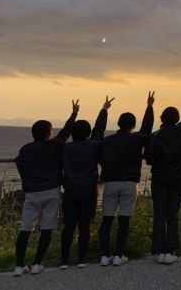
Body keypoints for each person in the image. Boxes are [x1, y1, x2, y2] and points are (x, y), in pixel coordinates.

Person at [14, 100, 79, 277]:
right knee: (47, 228)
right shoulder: (54, 146)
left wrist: (28, 181)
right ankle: (36, 264)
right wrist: (74, 114)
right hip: (51, 191)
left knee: (25, 228)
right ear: (48, 133)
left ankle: (19, 265)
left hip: (32, 193)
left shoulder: (25, 150)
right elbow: (65, 133)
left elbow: (19, 164)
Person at [98, 91, 154, 267]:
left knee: (106, 220)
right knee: (124, 220)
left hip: (111, 182)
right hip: (130, 183)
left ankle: (104, 255)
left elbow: (98, 132)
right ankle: (118, 255)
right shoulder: (137, 140)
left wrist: (104, 110)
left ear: (119, 124)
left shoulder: (107, 141)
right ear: (133, 125)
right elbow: (147, 128)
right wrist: (150, 106)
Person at [60, 96, 113, 269]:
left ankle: (64, 260)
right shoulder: (94, 146)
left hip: (70, 190)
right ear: (88, 133)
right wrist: (104, 109)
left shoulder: (65, 148)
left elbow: (63, 134)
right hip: (89, 190)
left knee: (68, 226)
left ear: (73, 133)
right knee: (84, 226)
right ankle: (81, 259)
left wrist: (74, 114)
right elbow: (99, 129)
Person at [147, 95, 181, 265]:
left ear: (161, 118)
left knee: (159, 213)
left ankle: (158, 249)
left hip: (159, 178)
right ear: (176, 119)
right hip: (177, 178)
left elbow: (148, 158)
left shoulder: (154, 135)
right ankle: (170, 250)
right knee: (172, 214)